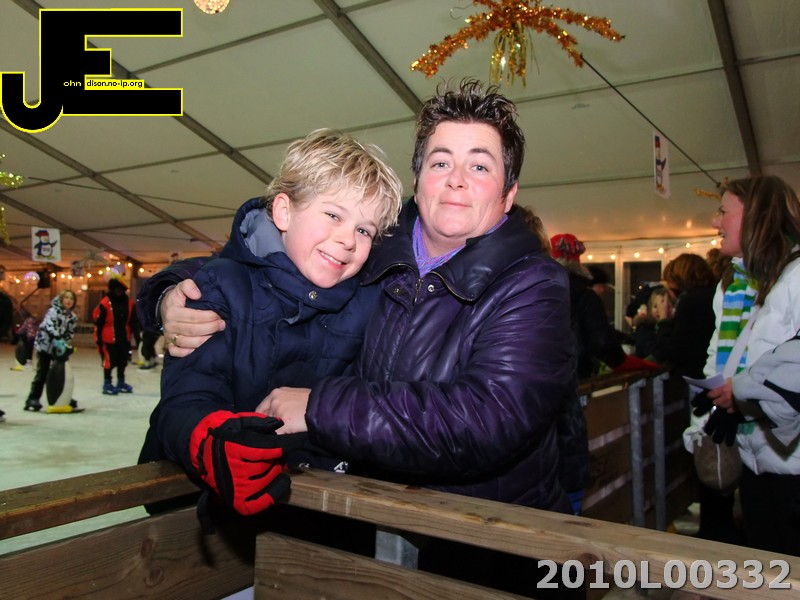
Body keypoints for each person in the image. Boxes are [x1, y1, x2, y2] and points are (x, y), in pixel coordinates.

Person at [145, 80, 586, 597]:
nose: (456, 179)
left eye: (480, 166)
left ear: (508, 195)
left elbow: (488, 417)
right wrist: (167, 293)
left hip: (485, 544)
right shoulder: (380, 247)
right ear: (419, 179)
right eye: (441, 161)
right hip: (358, 528)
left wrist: (319, 407)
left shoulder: (532, 284)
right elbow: (263, 263)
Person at [138, 128, 404, 520]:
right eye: (333, 215)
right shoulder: (222, 287)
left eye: (364, 230)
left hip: (309, 507)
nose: (348, 239)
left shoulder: (367, 304)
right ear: (284, 212)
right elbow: (188, 397)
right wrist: (213, 442)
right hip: (200, 503)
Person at [691, 175, 800, 555]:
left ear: (758, 216)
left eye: (724, 212)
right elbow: (725, 355)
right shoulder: (740, 284)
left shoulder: (795, 278)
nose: (715, 222)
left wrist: (743, 393)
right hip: (756, 459)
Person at [550, 232, 659, 379]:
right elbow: (602, 343)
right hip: (574, 376)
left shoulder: (534, 291)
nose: (603, 289)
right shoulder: (585, 296)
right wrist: (628, 362)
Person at [24, 290, 78, 412]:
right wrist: (57, 339)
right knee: (42, 373)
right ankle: (33, 398)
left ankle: (62, 396)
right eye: (66, 297)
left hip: (58, 348)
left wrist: (65, 344)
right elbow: (49, 327)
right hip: (45, 346)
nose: (69, 301)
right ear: (61, 299)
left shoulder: (72, 316)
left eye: (71, 298)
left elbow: (70, 332)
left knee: (60, 373)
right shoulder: (53, 311)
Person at [93, 277, 139, 395]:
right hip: (108, 338)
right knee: (109, 361)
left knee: (123, 360)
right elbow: (99, 323)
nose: (118, 291)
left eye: (121, 289)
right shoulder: (105, 303)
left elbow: (134, 321)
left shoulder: (129, 303)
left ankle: (121, 381)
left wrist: (137, 337)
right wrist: (98, 340)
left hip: (124, 337)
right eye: (116, 289)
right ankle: (107, 383)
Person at [631, 285, 672, 360]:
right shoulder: (644, 327)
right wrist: (663, 318)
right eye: (655, 306)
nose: (660, 310)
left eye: (665, 307)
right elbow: (654, 352)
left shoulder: (675, 328)